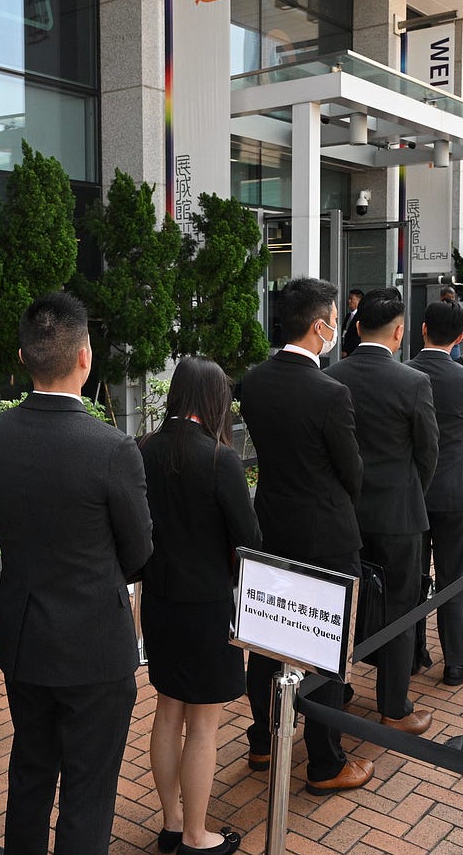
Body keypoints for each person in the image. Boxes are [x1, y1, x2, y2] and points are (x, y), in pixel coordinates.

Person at [0, 292, 153, 855]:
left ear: (23, 357)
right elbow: (139, 552)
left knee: (30, 770)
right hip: (95, 643)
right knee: (88, 790)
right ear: (84, 357)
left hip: (25, 634)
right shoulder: (112, 448)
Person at [240, 277, 373, 796]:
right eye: (336, 319)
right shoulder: (330, 392)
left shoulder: (253, 382)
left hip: (271, 525)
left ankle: (262, 740)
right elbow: (351, 471)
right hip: (326, 534)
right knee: (325, 646)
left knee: (266, 637)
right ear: (319, 327)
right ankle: (325, 761)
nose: (338, 327)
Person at [139, 358, 259, 855]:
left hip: (159, 601)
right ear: (214, 400)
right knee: (204, 723)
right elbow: (249, 538)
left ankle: (172, 823)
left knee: (168, 709)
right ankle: (196, 834)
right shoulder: (219, 458)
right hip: (208, 604)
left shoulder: (143, 448)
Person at [325, 288, 440, 731]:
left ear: (356, 328)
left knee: (341, 605)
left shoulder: (333, 376)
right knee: (400, 609)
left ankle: (337, 690)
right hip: (399, 515)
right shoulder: (413, 381)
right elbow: (428, 452)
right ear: (399, 332)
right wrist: (410, 492)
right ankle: (394, 707)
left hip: (344, 513)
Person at [410, 301, 463, 684]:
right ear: (460, 337)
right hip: (458, 490)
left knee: (411, 578)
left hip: (412, 491)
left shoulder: (404, 372)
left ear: (423, 329)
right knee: (454, 578)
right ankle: (456, 662)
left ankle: (412, 654)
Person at [341, 287, 363, 357]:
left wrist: (347, 350)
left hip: (354, 353)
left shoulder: (361, 316)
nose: (349, 301)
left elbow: (357, 338)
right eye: (349, 299)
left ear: (359, 301)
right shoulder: (348, 316)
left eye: (351, 299)